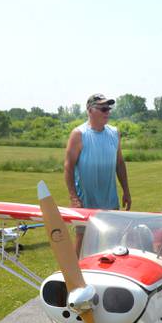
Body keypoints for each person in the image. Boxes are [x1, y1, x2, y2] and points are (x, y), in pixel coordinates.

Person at [64, 93, 132, 253]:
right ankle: (74, 276)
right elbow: (68, 168)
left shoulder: (114, 133)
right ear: (90, 110)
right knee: (84, 240)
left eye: (108, 108)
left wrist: (126, 191)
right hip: (86, 201)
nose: (107, 111)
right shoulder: (79, 134)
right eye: (102, 108)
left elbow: (119, 163)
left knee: (114, 242)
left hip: (110, 200)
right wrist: (74, 198)